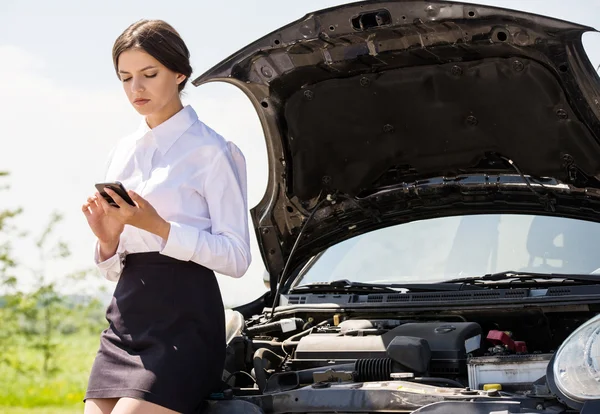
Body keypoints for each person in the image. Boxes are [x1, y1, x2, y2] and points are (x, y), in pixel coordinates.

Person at [81, 19, 251, 414]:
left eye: (148, 74)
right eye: (125, 78)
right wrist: (107, 240)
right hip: (127, 317)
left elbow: (237, 258)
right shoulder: (122, 151)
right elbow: (114, 268)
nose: (135, 89)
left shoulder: (214, 150)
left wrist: (157, 226)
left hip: (184, 321)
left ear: (179, 73)